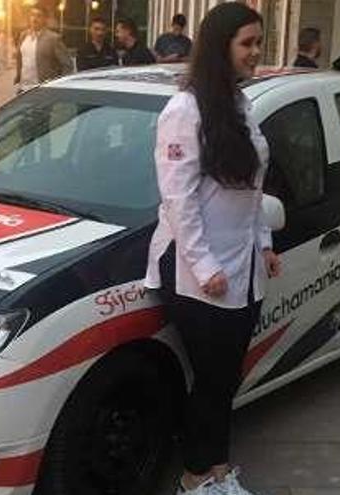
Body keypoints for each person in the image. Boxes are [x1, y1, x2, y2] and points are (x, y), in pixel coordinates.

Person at [144, 3, 281, 494]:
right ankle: (194, 477)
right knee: (211, 380)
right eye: (247, 43)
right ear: (220, 45)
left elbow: (251, 188)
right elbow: (178, 198)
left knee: (225, 380)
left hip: (243, 270)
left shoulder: (239, 104)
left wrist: (264, 242)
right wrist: (204, 265)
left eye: (258, 43)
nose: (255, 52)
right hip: (198, 274)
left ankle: (218, 471)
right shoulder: (184, 111)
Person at [15, 5, 73, 93]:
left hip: (43, 90)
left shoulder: (53, 38)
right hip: (23, 89)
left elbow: (67, 65)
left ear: (45, 19)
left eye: (39, 16)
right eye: (32, 15)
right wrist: (18, 75)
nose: (34, 18)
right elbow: (19, 58)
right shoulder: (23, 36)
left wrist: (59, 86)